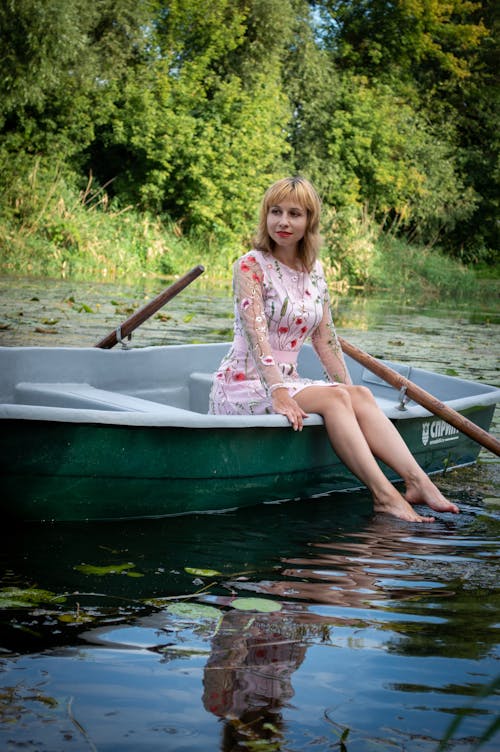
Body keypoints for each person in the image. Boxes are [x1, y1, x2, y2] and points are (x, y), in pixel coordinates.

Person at [209, 176, 459, 522]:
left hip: (288, 380)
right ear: (265, 216)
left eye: (295, 214)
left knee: (358, 396)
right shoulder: (250, 266)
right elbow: (256, 337)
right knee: (335, 399)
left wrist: (350, 389)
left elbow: (325, 339)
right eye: (276, 212)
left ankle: (418, 482)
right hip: (244, 384)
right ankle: (385, 496)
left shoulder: (315, 271)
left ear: (309, 220)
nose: (283, 222)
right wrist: (278, 392)